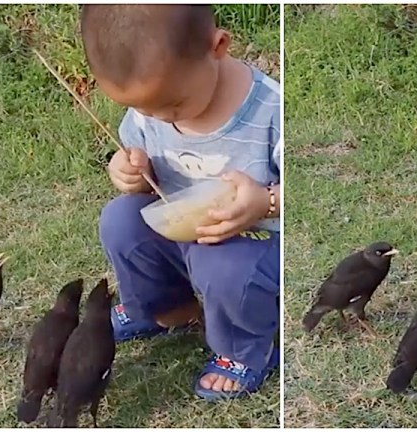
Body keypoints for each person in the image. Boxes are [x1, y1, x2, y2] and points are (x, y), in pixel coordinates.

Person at [80, 4, 280, 399]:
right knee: (120, 219)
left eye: (172, 106)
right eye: (139, 108)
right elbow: (139, 160)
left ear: (218, 46)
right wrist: (129, 170)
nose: (156, 116)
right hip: (185, 232)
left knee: (219, 263)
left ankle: (245, 348)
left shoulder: (273, 110)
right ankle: (165, 308)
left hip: (254, 249)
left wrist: (267, 201)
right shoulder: (151, 108)